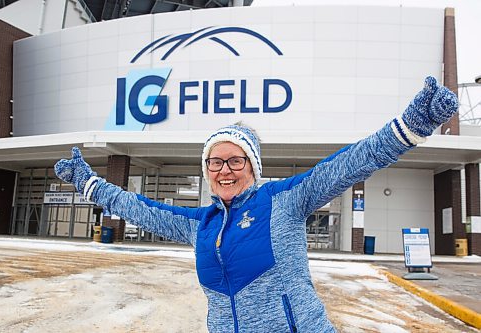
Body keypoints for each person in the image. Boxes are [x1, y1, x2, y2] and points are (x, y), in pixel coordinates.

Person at [54, 76, 458, 332]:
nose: (225, 170)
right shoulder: (201, 223)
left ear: (253, 165)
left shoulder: (282, 200)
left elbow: (349, 164)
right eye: (215, 161)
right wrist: (89, 184)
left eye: (236, 160)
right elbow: (137, 208)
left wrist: (409, 128)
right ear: (206, 168)